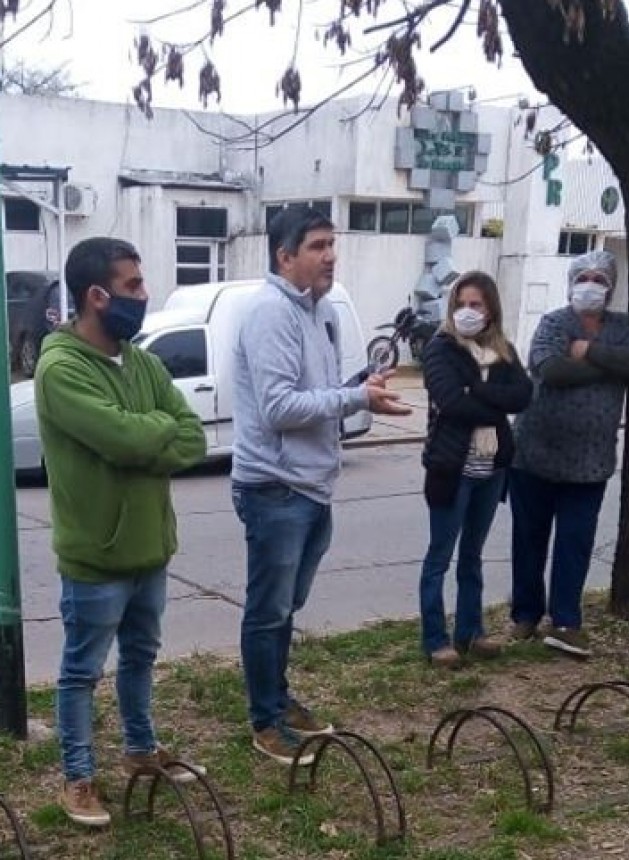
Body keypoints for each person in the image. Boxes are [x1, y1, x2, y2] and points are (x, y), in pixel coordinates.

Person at [34, 237, 207, 827]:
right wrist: (148, 435)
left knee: (141, 656)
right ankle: (78, 778)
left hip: (150, 550)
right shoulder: (59, 369)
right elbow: (125, 440)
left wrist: (145, 436)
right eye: (133, 286)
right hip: (96, 558)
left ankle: (139, 749)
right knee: (82, 671)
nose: (145, 294)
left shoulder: (145, 362)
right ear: (96, 296)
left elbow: (194, 438)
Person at [231, 207, 410, 765]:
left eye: (333, 244)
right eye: (317, 246)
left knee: (285, 608)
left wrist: (359, 386)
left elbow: (321, 390)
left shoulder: (322, 311)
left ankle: (279, 700)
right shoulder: (268, 313)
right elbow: (280, 407)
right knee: (267, 611)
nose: (331, 255)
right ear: (285, 256)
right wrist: (355, 399)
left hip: (312, 486)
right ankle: (264, 721)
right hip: (275, 488)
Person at [509, 250, 629, 657]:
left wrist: (587, 351)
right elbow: (550, 369)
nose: (591, 284)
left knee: (575, 542)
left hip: (590, 464)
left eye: (600, 279)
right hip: (535, 455)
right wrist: (611, 365)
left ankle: (566, 620)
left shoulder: (622, 327)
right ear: (571, 282)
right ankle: (525, 615)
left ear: (610, 286)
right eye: (584, 277)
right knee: (529, 540)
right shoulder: (554, 322)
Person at [418, 271, 533, 669]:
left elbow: (522, 395)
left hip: (492, 469)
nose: (467, 312)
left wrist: (479, 392)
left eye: (476, 305)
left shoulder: (503, 350)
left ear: (490, 310)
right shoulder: (440, 349)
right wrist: (493, 402)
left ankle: (471, 631)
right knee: (440, 557)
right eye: (461, 305)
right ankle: (436, 639)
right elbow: (451, 403)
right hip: (452, 467)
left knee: (473, 555)